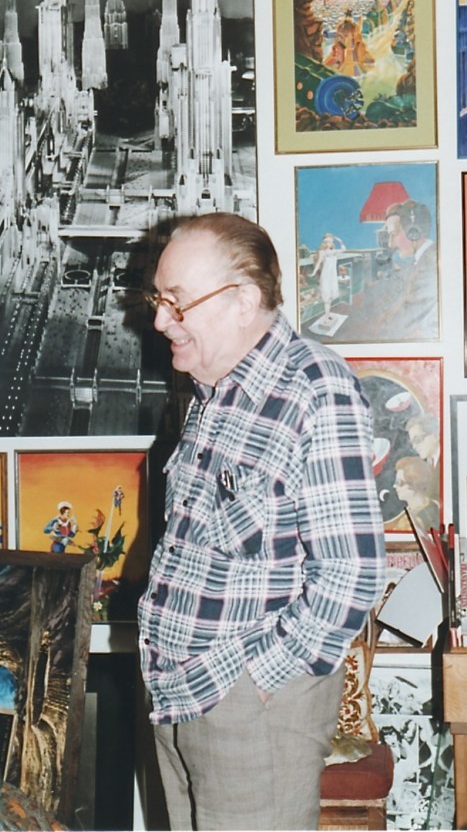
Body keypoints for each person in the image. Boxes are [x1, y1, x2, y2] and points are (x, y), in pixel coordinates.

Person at [137, 212, 385, 831]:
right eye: (158, 299)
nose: (160, 319)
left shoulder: (315, 390)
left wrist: (258, 682)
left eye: (178, 302)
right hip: (177, 688)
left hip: (246, 703)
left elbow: (352, 572)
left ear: (244, 301)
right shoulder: (213, 390)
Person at [372, 200, 439, 340]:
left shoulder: (430, 266)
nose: (391, 243)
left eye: (394, 234)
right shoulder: (423, 259)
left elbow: (413, 322)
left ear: (413, 232)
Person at [310, 233, 346, 326]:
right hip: (326, 276)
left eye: (331, 241)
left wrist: (338, 239)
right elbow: (318, 264)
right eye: (327, 241)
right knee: (327, 299)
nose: (329, 243)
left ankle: (328, 314)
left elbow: (344, 249)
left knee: (331, 297)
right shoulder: (323, 252)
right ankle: (326, 317)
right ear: (324, 242)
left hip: (332, 276)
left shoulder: (334, 251)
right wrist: (313, 273)